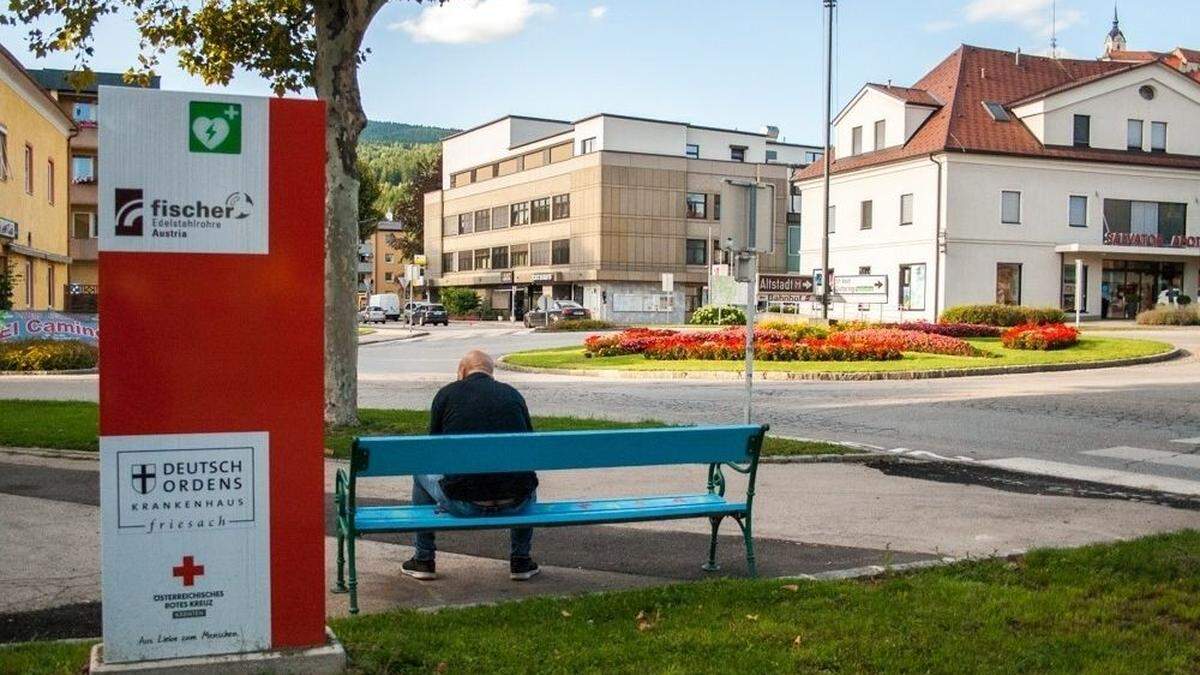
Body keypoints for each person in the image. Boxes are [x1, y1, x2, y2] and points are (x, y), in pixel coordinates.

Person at [402, 349, 540, 581]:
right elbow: (528, 447)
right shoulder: (512, 395)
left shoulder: (447, 395)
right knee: (525, 477)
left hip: (464, 502)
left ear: (462, 372)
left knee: (420, 471)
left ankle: (424, 559)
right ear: (491, 373)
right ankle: (521, 561)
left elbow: (433, 450)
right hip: (515, 503)